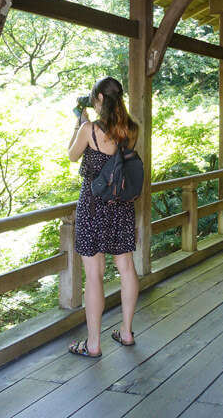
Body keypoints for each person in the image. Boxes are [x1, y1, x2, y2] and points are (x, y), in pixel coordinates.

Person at [67, 77, 140, 358]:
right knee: (127, 270)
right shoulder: (131, 129)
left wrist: (79, 122)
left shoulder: (89, 129)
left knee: (94, 276)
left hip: (94, 205)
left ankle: (93, 344)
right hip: (121, 204)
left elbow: (72, 156)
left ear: (98, 99)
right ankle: (126, 332)